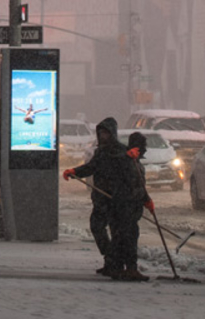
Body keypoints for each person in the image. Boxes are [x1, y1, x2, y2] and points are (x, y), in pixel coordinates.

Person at [62, 117, 121, 276]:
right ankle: (110, 258)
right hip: (101, 198)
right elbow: (91, 167)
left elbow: (127, 174)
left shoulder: (120, 152)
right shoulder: (100, 152)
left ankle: (116, 262)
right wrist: (75, 171)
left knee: (117, 231)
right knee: (97, 226)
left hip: (115, 198)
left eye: (106, 133)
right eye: (100, 133)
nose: (103, 137)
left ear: (112, 134)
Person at [109, 132, 153, 282]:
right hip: (124, 206)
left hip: (131, 206)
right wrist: (127, 157)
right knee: (127, 238)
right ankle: (128, 269)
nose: (145, 149)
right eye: (143, 146)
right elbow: (130, 182)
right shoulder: (126, 160)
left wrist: (146, 200)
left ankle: (119, 268)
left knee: (124, 237)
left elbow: (139, 185)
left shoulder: (136, 161)